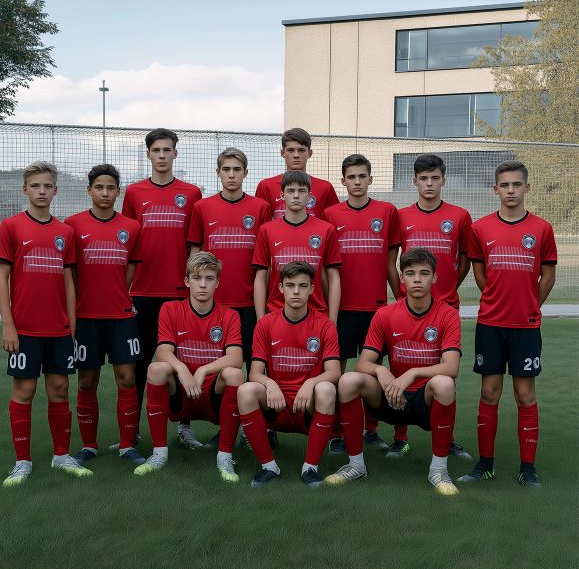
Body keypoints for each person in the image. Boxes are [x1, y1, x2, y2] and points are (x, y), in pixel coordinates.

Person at [325, 247, 461, 496]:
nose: (417, 279)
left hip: (424, 401)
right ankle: (356, 465)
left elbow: (452, 367)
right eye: (410, 273)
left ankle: (439, 470)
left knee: (444, 383)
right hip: (391, 396)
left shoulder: (448, 315)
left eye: (424, 273)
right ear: (402, 279)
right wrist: (381, 370)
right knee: (348, 380)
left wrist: (412, 373)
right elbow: (363, 363)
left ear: (435, 278)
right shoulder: (385, 314)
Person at [459, 160, 557, 488]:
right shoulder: (480, 228)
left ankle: (528, 468)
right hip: (490, 323)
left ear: (527, 187)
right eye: (505, 185)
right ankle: (485, 464)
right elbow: (479, 273)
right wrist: (497, 300)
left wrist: (529, 306)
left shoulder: (542, 229)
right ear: (495, 189)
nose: (511, 190)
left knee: (525, 394)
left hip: (526, 326)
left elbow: (548, 276)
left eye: (516, 184)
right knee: (489, 391)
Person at [0, 161, 92, 486]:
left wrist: (72, 328)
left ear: (55, 191)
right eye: (35, 186)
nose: (41, 191)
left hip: (58, 330)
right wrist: (8, 325)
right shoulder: (11, 227)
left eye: (47, 186)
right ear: (25, 189)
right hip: (24, 329)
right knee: (24, 390)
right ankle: (22, 461)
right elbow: (1, 277)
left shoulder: (65, 233)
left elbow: (69, 282)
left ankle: (61, 455)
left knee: (60, 389)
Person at [121, 127, 202, 447]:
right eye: (156, 150)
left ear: (175, 153)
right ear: (148, 154)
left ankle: (184, 427)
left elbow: (194, 244)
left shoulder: (191, 193)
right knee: (139, 364)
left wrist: (191, 285)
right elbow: (126, 241)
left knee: (183, 362)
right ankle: (133, 431)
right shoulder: (134, 192)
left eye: (167, 150)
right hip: (142, 292)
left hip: (178, 293)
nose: (162, 155)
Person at [390, 153, 473, 460]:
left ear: (443, 180)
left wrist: (448, 289)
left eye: (434, 178)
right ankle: (400, 437)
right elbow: (392, 261)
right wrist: (399, 293)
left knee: (445, 376)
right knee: (401, 363)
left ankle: (445, 439)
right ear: (414, 181)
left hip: (445, 306)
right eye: (423, 178)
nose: (429, 184)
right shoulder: (401, 216)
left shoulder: (460, 216)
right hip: (407, 305)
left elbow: (463, 260)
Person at [134, 252, 244, 481]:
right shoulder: (170, 309)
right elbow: (163, 351)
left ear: (217, 282)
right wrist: (182, 368)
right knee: (156, 369)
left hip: (211, 395)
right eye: (196, 278)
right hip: (181, 393)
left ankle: (225, 456)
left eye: (209, 278)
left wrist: (203, 370)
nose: (203, 284)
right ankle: (159, 453)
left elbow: (236, 357)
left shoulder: (230, 315)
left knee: (235, 374)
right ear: (187, 281)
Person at [65, 164, 145, 468]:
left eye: (111, 187)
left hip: (121, 316)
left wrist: (117, 292)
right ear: (89, 190)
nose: (105, 193)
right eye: (99, 187)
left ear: (118, 191)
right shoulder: (73, 225)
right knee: (87, 381)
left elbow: (132, 265)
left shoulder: (131, 227)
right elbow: (70, 272)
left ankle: (127, 445)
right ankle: (89, 445)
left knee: (127, 378)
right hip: (86, 316)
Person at [237, 261, 341, 488]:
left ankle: (310, 468)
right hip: (276, 404)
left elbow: (334, 372)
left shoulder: (325, 325)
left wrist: (311, 382)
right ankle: (268, 466)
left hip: (308, 405)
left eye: (302, 286)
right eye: (290, 285)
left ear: (312, 289)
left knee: (326, 388)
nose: (296, 291)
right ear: (280, 288)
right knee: (246, 390)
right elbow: (254, 373)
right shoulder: (265, 324)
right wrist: (270, 384)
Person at [323, 153, 401, 452]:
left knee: (371, 371)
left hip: (375, 309)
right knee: (336, 371)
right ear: (343, 181)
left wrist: (400, 301)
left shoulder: (386, 211)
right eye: (351, 177)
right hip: (341, 309)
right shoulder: (330, 214)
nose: (357, 182)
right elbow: (326, 268)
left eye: (362, 176)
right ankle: (337, 432)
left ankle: (371, 429)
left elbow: (391, 264)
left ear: (371, 179)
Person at [187, 147, 270, 367]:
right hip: (213, 301)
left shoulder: (261, 207)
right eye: (226, 169)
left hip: (249, 301)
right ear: (218, 172)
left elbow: (267, 260)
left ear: (246, 173)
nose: (231, 175)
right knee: (216, 364)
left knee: (254, 363)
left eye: (237, 169)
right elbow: (195, 253)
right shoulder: (202, 207)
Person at [252, 170, 341, 322]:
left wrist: (332, 321)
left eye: (301, 191)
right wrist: (260, 320)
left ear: (310, 196)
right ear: (282, 195)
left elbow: (333, 277)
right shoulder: (266, 230)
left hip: (317, 315)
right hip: (276, 313)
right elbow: (260, 277)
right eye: (290, 191)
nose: (296, 195)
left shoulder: (326, 229)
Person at [255, 127, 339, 220]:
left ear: (310, 153)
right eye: (291, 150)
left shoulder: (325, 187)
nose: (296, 155)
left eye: (301, 150)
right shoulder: (266, 186)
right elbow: (261, 222)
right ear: (282, 153)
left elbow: (334, 221)